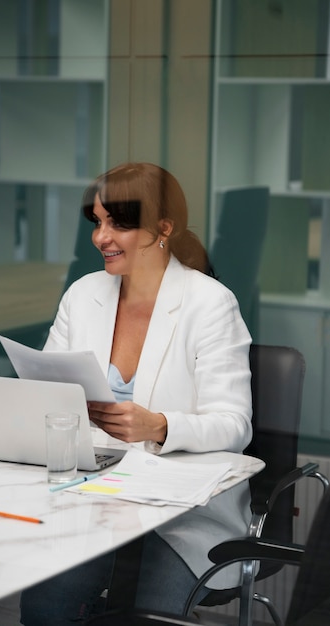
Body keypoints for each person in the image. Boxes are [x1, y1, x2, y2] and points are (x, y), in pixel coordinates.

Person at [20, 162, 253, 625]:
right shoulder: (83, 295)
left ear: (162, 228)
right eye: (97, 222)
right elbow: (41, 393)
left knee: (149, 616)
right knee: (46, 604)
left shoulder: (210, 304)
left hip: (179, 512)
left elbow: (234, 424)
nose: (100, 237)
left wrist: (161, 426)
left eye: (118, 224)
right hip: (92, 500)